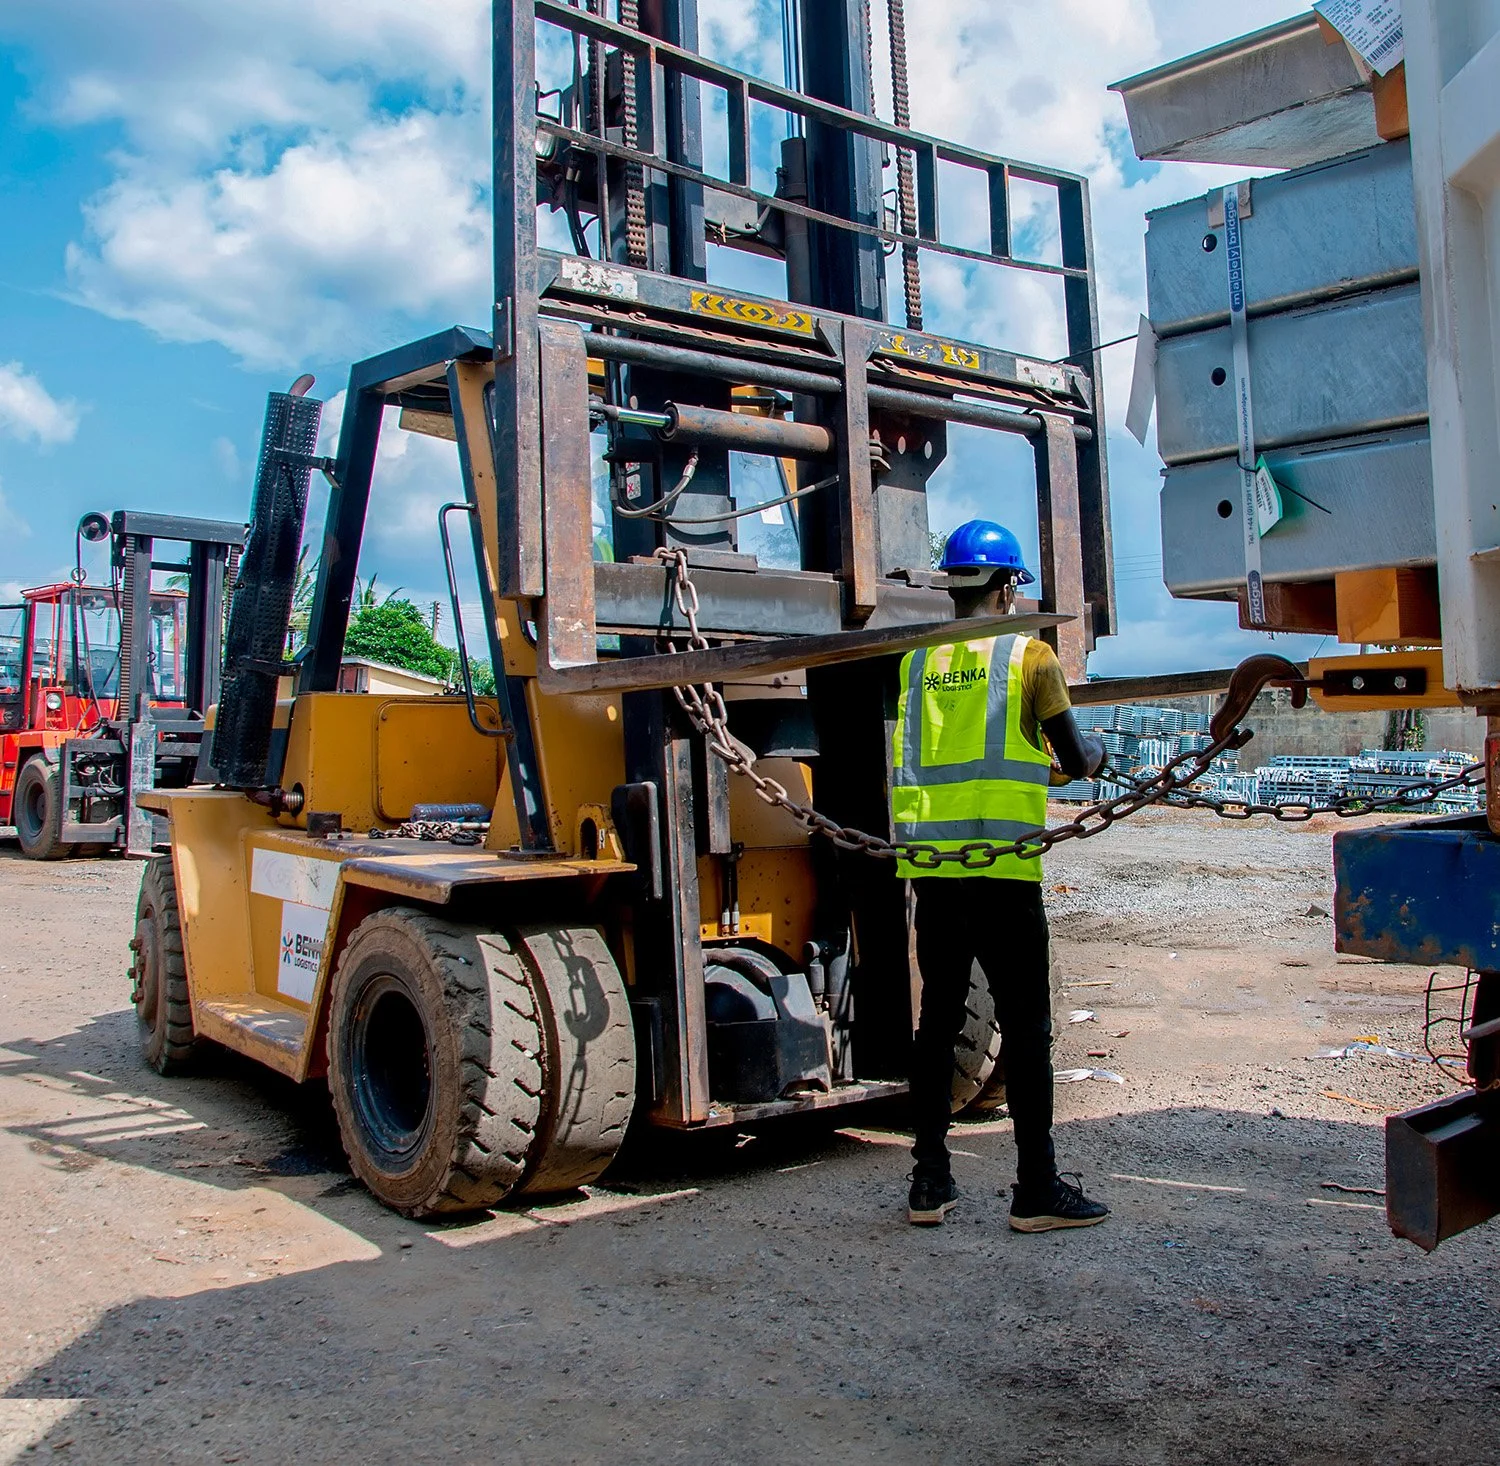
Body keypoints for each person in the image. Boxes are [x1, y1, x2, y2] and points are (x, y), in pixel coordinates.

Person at [894, 519, 1111, 1232]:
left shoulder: (916, 661)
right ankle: (1036, 1188)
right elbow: (1077, 760)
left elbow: (947, 755)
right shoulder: (1031, 656)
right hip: (1003, 870)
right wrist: (1095, 756)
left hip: (934, 867)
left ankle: (930, 1181)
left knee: (937, 1018)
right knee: (1026, 1025)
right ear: (1008, 584)